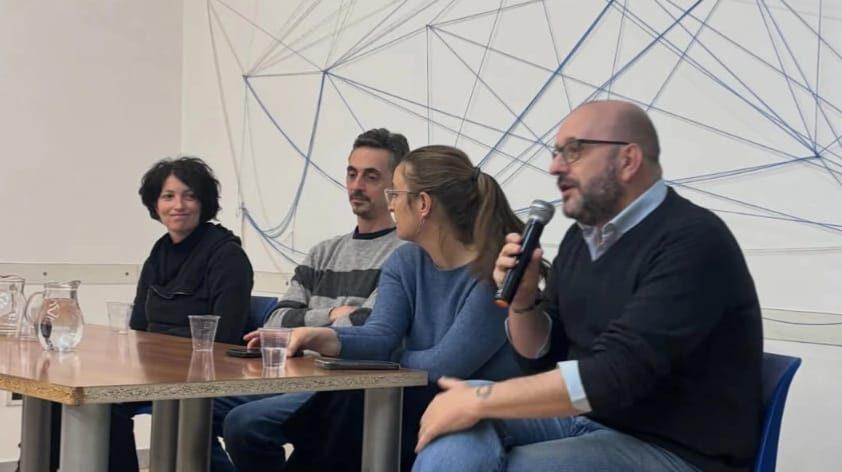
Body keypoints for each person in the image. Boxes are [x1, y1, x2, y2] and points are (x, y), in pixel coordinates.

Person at [412, 100, 763, 472]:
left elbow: (615, 375)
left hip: (672, 450)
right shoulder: (581, 240)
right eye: (556, 152)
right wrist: (523, 302)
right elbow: (540, 358)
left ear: (627, 160)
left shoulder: (693, 241)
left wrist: (481, 399)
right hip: (587, 421)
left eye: (574, 151)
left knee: (478, 414)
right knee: (456, 424)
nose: (555, 167)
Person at [228, 145, 526, 471]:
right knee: (343, 403)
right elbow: (380, 336)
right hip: (412, 395)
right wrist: (313, 335)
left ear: (423, 204)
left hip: (472, 410)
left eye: (395, 193)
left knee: (350, 403)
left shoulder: (494, 274)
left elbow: (444, 366)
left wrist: (387, 357)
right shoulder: (404, 260)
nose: (391, 203)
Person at [219, 128, 410, 468]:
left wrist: (311, 324)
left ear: (395, 186)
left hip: (342, 389)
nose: (356, 186)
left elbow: (368, 327)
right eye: (351, 174)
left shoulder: (404, 254)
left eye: (371, 177)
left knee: (245, 425)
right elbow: (276, 321)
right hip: (291, 376)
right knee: (193, 404)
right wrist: (333, 314)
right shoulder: (323, 252)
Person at [111, 156, 254, 472]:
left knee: (126, 405)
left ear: (204, 203)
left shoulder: (227, 255)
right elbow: (138, 327)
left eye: (190, 196)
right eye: (168, 196)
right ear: (155, 204)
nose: (179, 205)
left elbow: (223, 337)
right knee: (95, 404)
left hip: (205, 375)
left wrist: (163, 349)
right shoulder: (159, 252)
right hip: (156, 373)